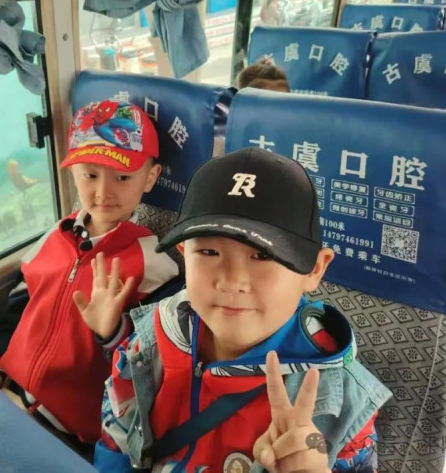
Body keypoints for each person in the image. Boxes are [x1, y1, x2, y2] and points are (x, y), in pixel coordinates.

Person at [93, 148, 392, 472]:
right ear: (183, 252)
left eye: (262, 256)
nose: (231, 281)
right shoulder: (149, 341)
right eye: (208, 252)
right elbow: (116, 443)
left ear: (314, 269)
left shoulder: (342, 404)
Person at [0, 98, 179, 447]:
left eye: (122, 177)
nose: (103, 193)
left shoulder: (154, 262)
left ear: (150, 177)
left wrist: (112, 331)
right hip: (6, 389)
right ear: (72, 173)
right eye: (90, 175)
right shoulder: (55, 236)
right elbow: (21, 305)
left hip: (69, 429)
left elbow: (154, 356)